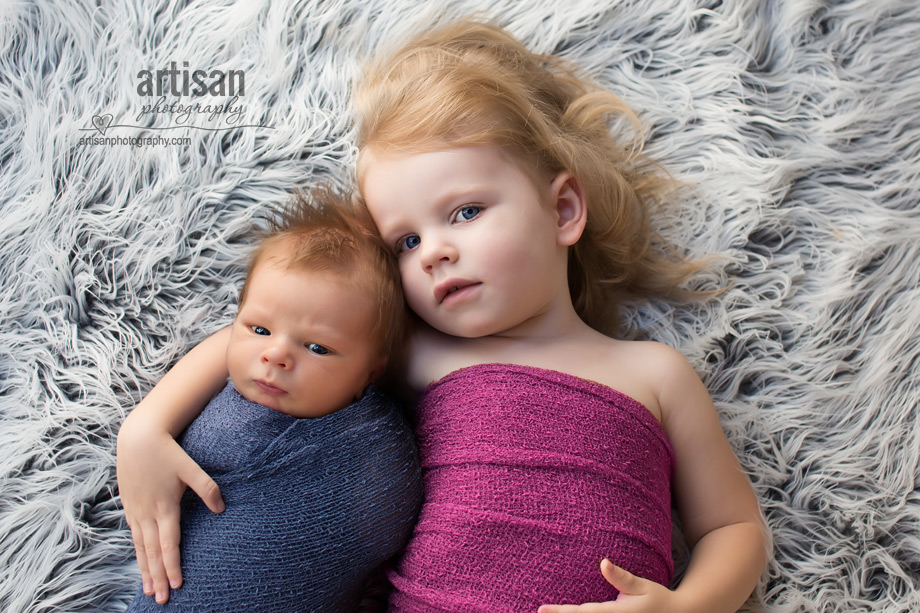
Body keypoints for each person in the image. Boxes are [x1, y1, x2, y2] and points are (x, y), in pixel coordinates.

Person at [117, 20, 768, 612]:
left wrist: (685, 606)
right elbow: (272, 332)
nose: (435, 253)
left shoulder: (653, 373)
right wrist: (147, 426)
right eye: (406, 241)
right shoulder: (421, 354)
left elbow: (735, 529)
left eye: (465, 212)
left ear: (564, 210)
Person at [118, 187, 421, 611]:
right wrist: (142, 428)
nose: (275, 355)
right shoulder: (229, 417)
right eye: (259, 330)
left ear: (370, 374)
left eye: (317, 348)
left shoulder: (379, 435)